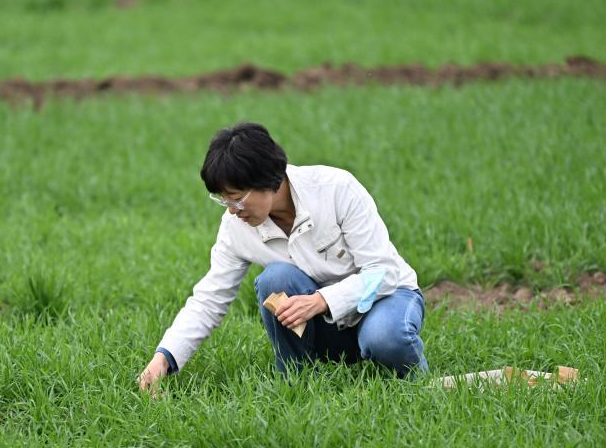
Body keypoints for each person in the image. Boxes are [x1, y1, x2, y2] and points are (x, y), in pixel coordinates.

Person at [138, 122, 427, 394]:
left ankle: (421, 385)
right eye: (223, 200)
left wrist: (322, 300)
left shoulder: (336, 188)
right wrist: (165, 356)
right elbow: (210, 297)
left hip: (387, 298)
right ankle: (296, 383)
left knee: (383, 337)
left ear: (268, 181)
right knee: (276, 280)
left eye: (236, 198)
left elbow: (382, 272)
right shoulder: (235, 227)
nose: (232, 210)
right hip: (328, 327)